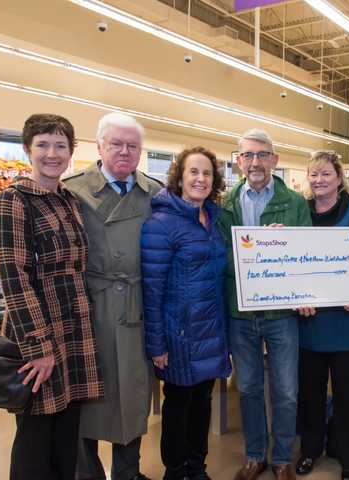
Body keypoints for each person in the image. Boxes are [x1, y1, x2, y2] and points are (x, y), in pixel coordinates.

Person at [0, 114, 103, 479]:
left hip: (73, 334)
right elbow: (13, 278)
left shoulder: (69, 200)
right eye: (42, 145)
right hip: (37, 337)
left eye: (60, 146)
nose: (52, 154)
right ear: (28, 150)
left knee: (66, 438)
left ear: (72, 152)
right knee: (35, 442)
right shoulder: (14, 200)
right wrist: (39, 347)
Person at [63, 112, 162, 480]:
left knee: (133, 396)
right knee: (85, 397)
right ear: (100, 145)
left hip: (137, 307)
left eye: (132, 145)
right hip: (89, 308)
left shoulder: (154, 192)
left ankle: (128, 473)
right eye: (116, 144)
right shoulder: (71, 190)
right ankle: (87, 474)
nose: (124, 151)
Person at [218, 129, 312, 480]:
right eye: (248, 155)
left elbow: (302, 255)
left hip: (280, 313)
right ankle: (255, 455)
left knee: (287, 390)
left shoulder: (295, 203)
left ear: (274, 159)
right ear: (238, 160)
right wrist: (254, 252)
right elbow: (220, 256)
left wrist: (278, 247)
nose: (255, 162)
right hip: (240, 312)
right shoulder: (225, 204)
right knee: (248, 389)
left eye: (262, 155)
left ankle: (283, 457)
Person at [141, 146, 232, 480]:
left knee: (203, 402)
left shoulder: (215, 220)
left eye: (207, 173)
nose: (200, 179)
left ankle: (197, 466)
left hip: (211, 330)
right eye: (193, 172)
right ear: (179, 177)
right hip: (178, 333)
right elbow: (151, 290)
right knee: (179, 404)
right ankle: (175, 470)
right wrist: (156, 345)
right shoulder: (161, 224)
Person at [294, 151, 349, 480]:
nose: (319, 180)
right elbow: (292, 262)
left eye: (326, 174)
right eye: (313, 174)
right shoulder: (301, 213)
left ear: (339, 178)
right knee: (310, 395)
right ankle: (310, 450)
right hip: (310, 325)